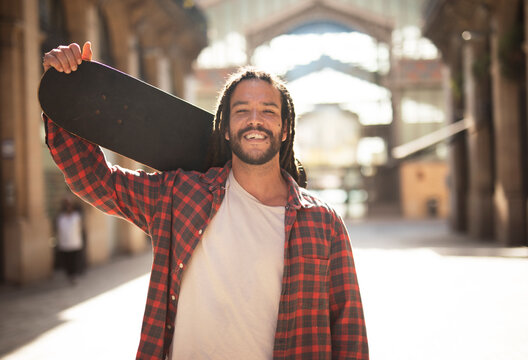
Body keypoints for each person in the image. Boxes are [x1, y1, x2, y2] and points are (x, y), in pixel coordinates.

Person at [42, 42, 369, 359]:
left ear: (285, 129)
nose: (255, 120)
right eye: (242, 111)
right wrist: (66, 96)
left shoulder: (322, 222)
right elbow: (97, 182)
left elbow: (349, 329)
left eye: (268, 111)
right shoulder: (180, 196)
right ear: (225, 128)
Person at [55, 197, 84, 284]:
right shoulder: (61, 218)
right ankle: (69, 275)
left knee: (74, 261)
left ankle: (74, 276)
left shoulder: (76, 216)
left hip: (75, 243)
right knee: (67, 261)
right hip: (64, 244)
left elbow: (80, 228)